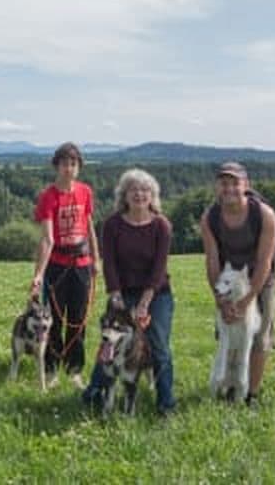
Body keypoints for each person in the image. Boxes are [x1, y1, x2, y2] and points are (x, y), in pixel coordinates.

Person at [81, 169, 176, 415]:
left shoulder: (161, 225)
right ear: (124, 195)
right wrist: (115, 294)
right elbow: (109, 262)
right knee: (109, 344)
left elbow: (159, 267)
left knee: (158, 346)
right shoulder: (112, 224)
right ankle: (94, 392)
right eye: (134, 189)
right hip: (121, 293)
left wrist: (146, 301)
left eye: (145, 190)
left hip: (156, 293)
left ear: (152, 196)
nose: (139, 194)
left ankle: (166, 403)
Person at [200, 161, 275, 407]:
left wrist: (247, 300)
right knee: (227, 332)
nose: (229, 188)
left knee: (259, 335)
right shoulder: (210, 218)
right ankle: (230, 385)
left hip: (260, 279)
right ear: (217, 188)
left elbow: (265, 261)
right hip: (227, 278)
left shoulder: (264, 215)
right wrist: (221, 301)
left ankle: (251, 395)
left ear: (246, 185)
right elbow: (212, 261)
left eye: (235, 182)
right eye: (224, 183)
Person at [30, 142, 99, 390]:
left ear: (78, 167)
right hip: (57, 266)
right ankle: (50, 369)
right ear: (56, 166)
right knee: (54, 320)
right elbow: (47, 238)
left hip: (82, 262)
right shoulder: (48, 196)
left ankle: (74, 369)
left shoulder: (85, 192)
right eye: (64, 164)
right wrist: (38, 275)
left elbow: (89, 225)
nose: (68, 169)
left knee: (78, 320)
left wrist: (96, 259)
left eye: (73, 164)